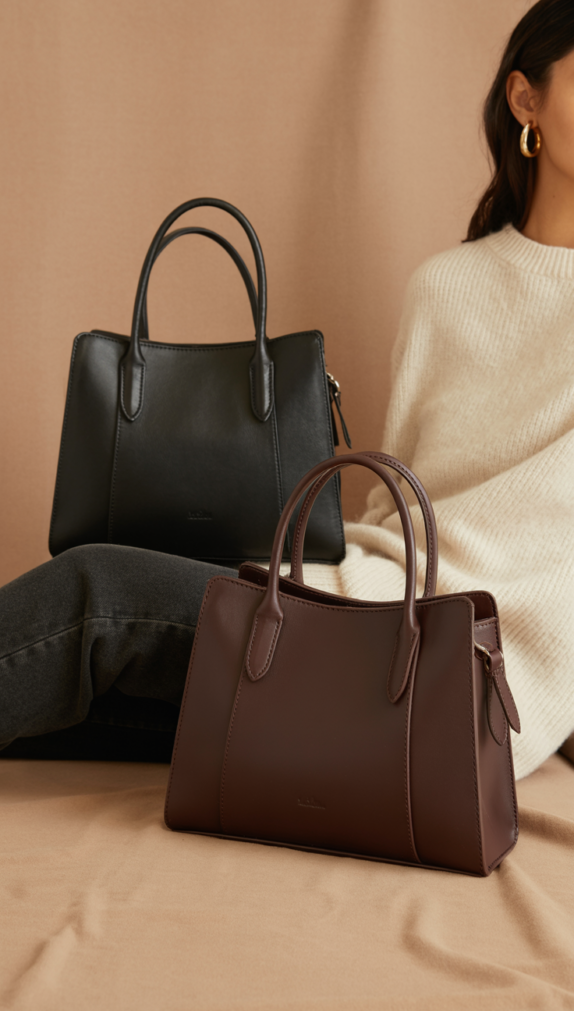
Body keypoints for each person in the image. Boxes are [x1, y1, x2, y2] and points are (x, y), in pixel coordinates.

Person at [1, 0, 573, 779]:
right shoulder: (448, 287)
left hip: (449, 675)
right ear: (525, 99)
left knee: (94, 589)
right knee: (73, 703)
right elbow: (394, 502)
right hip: (360, 619)